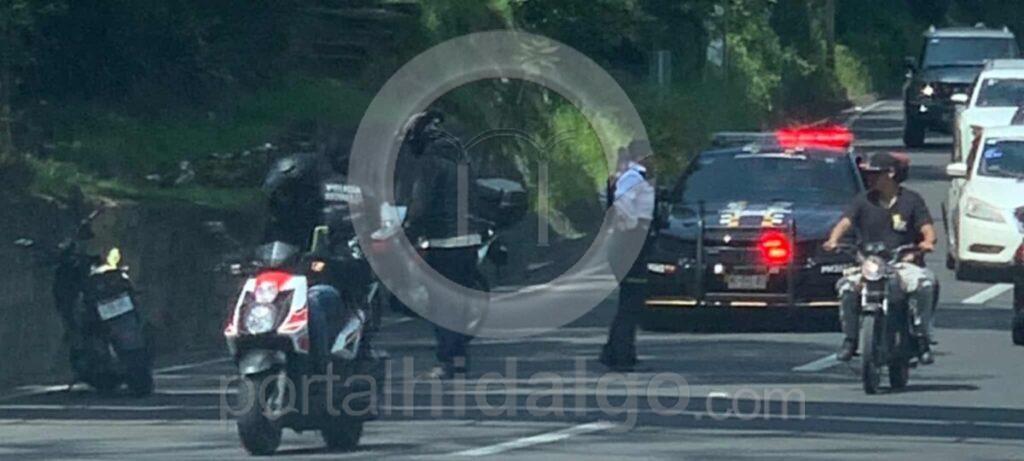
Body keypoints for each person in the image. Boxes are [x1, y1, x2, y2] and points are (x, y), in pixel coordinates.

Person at [261, 131, 374, 370]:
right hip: (303, 275)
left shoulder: (337, 203)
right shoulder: (287, 214)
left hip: (335, 274)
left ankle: (318, 363)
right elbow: (272, 244)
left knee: (316, 301)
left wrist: (331, 258)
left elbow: (358, 246)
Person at [823, 152, 938, 364]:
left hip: (901, 263)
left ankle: (921, 337)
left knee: (925, 285)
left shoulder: (911, 200)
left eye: (875, 174)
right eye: (868, 174)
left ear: (890, 173)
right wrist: (833, 240)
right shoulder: (862, 201)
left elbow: (927, 229)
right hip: (869, 264)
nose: (870, 178)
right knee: (846, 288)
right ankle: (850, 339)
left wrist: (927, 242)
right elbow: (845, 222)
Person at [402, 109, 483, 380]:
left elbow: (420, 205)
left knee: (441, 305)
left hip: (444, 241)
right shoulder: (463, 159)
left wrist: (407, 232)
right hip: (470, 238)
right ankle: (459, 358)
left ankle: (448, 361)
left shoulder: (431, 162)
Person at [600, 141, 655, 372]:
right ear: (642, 156)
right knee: (631, 301)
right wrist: (634, 227)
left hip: (631, 241)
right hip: (631, 242)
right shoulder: (633, 177)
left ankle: (616, 350)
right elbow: (622, 203)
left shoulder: (637, 177)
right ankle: (621, 354)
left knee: (630, 300)